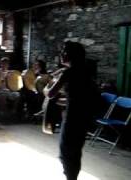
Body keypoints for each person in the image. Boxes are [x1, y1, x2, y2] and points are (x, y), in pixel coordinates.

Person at [43, 41, 98, 180]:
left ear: (73, 55)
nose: (61, 54)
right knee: (76, 151)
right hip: (84, 115)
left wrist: (45, 86)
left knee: (66, 151)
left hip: (72, 117)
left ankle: (70, 178)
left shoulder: (68, 72)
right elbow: (80, 96)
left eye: (65, 51)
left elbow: (50, 94)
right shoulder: (86, 70)